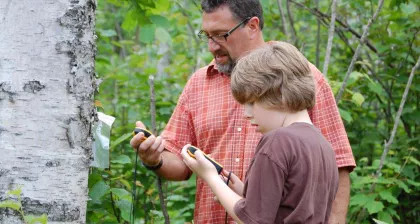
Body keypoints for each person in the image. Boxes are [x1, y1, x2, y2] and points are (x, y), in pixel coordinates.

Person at [130, 0, 356, 223]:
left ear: (252, 26)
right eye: (206, 35)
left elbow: (338, 165)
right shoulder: (198, 84)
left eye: (220, 34)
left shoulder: (300, 77)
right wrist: (155, 158)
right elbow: (180, 159)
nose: (212, 46)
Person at [181, 42, 339, 223]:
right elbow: (292, 207)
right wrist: (246, 192)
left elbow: (253, 220)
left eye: (251, 103)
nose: (247, 114)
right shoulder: (323, 145)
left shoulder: (277, 141)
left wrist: (210, 176)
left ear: (279, 93)